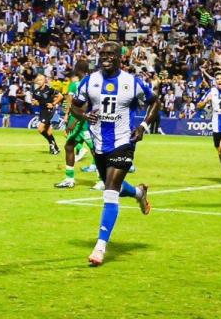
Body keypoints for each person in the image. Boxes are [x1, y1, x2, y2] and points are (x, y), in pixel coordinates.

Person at [70, 42, 157, 266]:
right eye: (103, 54)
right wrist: (83, 116)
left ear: (120, 58)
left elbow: (155, 102)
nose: (106, 57)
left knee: (109, 192)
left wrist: (143, 127)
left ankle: (100, 247)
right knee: (113, 185)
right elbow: (75, 106)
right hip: (99, 144)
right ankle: (138, 193)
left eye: (110, 54)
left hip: (123, 142)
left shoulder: (132, 82)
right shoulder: (90, 81)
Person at [30, 74, 63, 154]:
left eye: (41, 80)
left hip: (49, 110)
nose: (39, 81)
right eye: (38, 80)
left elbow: (60, 96)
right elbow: (37, 103)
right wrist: (34, 103)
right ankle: (55, 148)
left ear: (44, 80)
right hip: (43, 111)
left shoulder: (50, 89)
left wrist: (53, 104)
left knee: (40, 129)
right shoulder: (35, 92)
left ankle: (52, 145)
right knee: (48, 132)